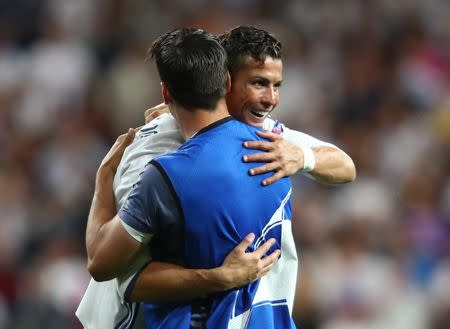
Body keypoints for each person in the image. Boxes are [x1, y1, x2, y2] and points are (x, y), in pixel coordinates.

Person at [77, 26, 356, 329]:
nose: (270, 99)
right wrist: (219, 278)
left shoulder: (268, 140)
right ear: (226, 81)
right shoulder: (153, 150)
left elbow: (345, 166)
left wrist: (303, 158)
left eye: (277, 85)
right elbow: (125, 275)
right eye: (258, 84)